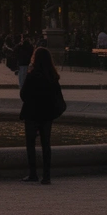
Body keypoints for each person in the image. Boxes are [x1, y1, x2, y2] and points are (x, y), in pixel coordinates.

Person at [18, 47, 63, 185]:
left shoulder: (32, 75)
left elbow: (23, 94)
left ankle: (33, 174)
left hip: (32, 113)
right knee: (46, 144)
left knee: (30, 144)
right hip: (46, 114)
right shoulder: (53, 77)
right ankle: (46, 176)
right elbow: (58, 97)